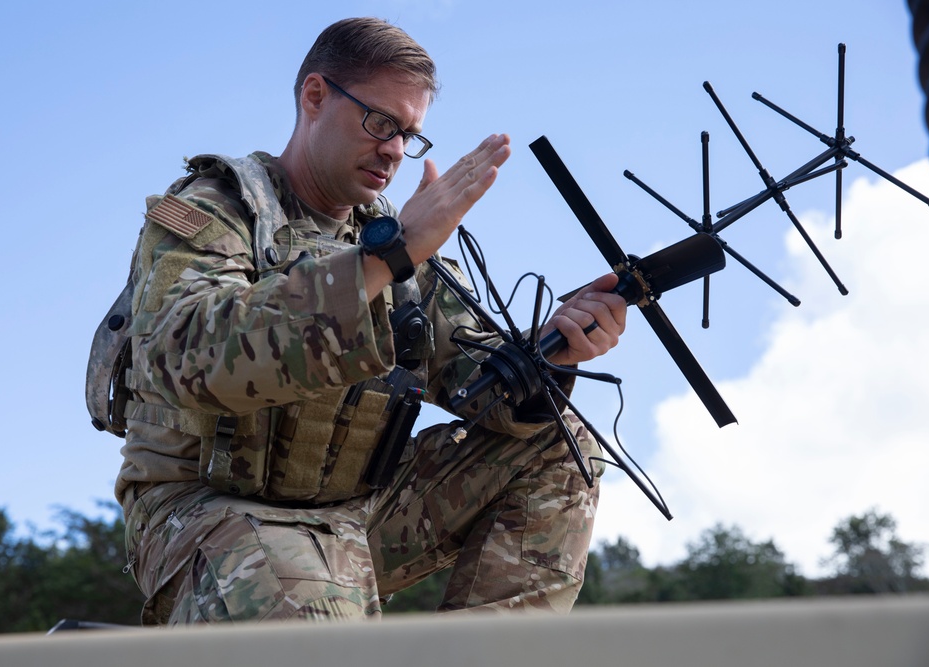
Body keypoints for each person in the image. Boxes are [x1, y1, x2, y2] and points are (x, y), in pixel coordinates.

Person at [109, 16, 627, 624]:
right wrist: (388, 256)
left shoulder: (395, 241)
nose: (395, 150)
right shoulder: (213, 210)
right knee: (309, 595)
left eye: (410, 135)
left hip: (353, 514)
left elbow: (478, 387)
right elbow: (186, 357)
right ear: (314, 96)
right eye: (382, 122)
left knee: (562, 444)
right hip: (206, 508)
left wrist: (553, 352)